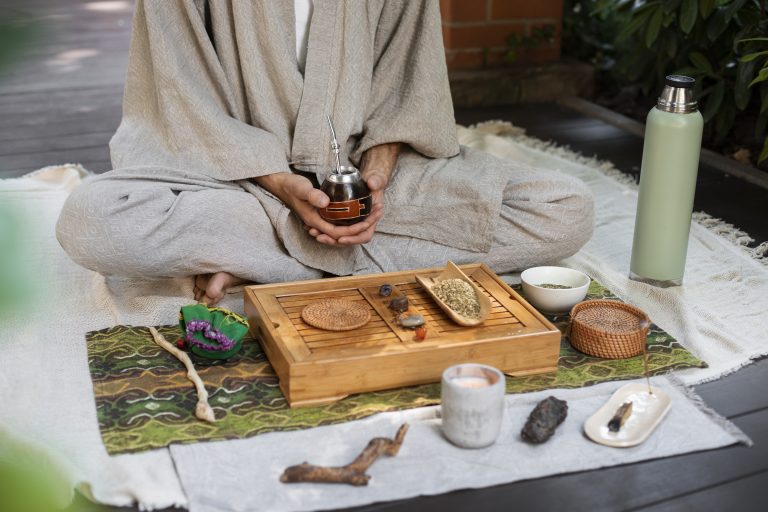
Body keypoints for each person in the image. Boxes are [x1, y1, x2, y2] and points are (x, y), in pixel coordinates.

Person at [56, 0, 594, 305]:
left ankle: (258, 266)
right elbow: (179, 96)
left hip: (365, 175)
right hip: (230, 177)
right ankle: (313, 261)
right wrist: (279, 183)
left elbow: (408, 82)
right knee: (92, 221)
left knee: (563, 211)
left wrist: (378, 176)